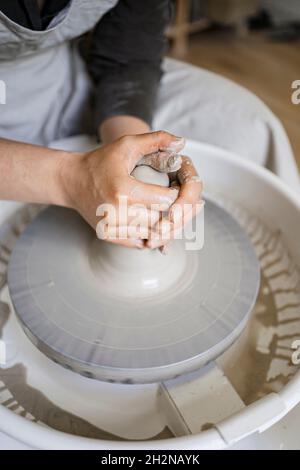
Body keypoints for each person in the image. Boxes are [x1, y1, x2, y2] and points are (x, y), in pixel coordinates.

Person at [0, 0, 202, 250]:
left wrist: (136, 158)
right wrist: (71, 179)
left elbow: (127, 59)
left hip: (63, 70)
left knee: (248, 127)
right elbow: (74, 178)